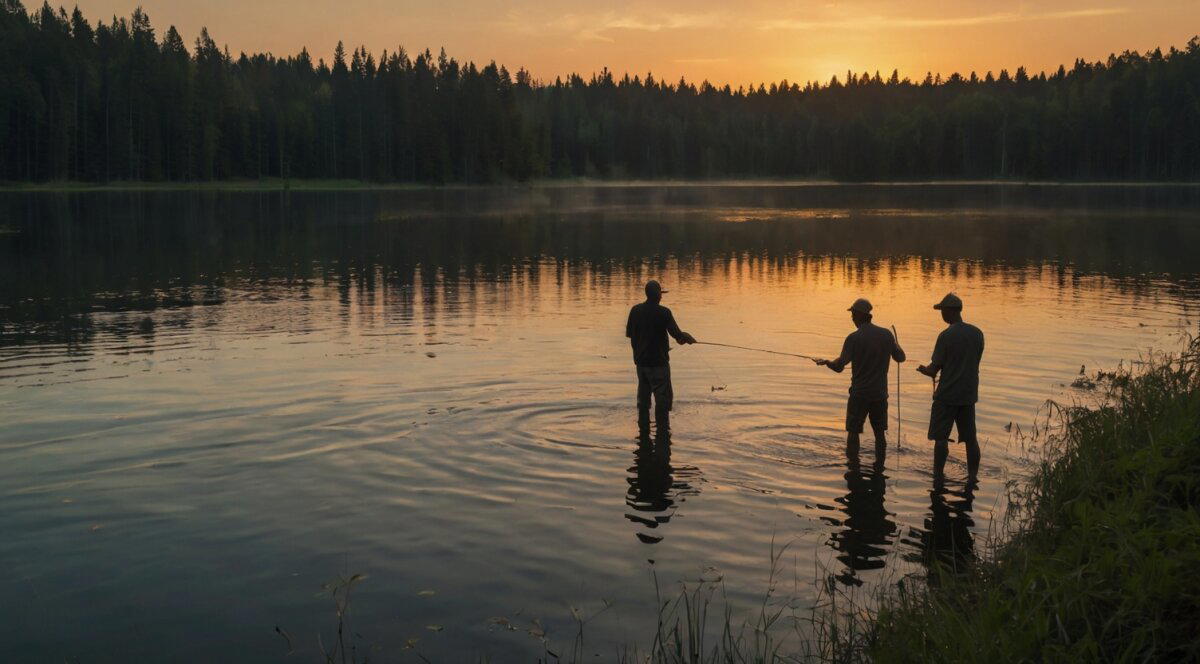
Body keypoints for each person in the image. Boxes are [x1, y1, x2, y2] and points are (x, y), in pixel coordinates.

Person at [816, 298, 906, 461]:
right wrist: (895, 343)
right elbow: (901, 358)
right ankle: (880, 466)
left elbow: (839, 366)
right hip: (880, 394)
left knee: (853, 431)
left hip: (859, 394)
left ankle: (852, 465)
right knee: (880, 434)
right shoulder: (886, 334)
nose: (851, 318)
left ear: (858, 315)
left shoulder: (853, 338)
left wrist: (827, 362)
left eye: (853, 314)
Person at [917, 293, 985, 478]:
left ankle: (938, 475)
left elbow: (934, 369)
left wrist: (923, 370)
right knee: (971, 439)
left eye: (942, 310)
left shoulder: (946, 336)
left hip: (946, 396)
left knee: (941, 439)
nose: (941, 314)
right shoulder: (977, 333)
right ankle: (972, 477)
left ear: (950, 311)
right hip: (968, 395)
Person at [625, 280, 696, 432]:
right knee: (662, 403)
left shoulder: (635, 311)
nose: (661, 298)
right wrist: (687, 338)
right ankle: (662, 434)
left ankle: (643, 433)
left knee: (643, 402)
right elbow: (678, 336)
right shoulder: (664, 312)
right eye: (661, 295)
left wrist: (638, 356)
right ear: (658, 296)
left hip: (641, 365)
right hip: (659, 365)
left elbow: (631, 336)